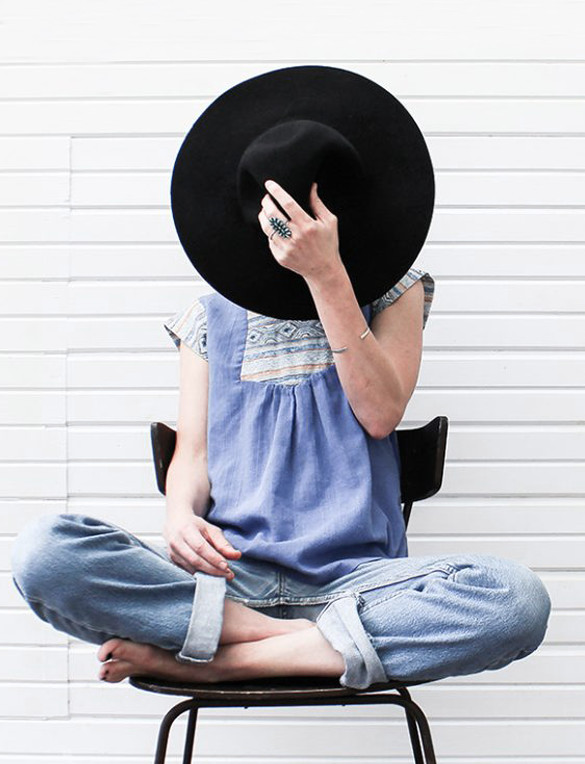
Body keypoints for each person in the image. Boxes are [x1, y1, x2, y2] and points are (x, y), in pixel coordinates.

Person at [10, 179, 552, 691]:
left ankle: (223, 663)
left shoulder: (394, 291)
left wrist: (326, 275)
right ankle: (288, 641)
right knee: (45, 553)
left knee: (516, 599)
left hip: (356, 588)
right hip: (227, 584)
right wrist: (178, 516)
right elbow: (192, 455)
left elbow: (380, 413)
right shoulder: (208, 317)